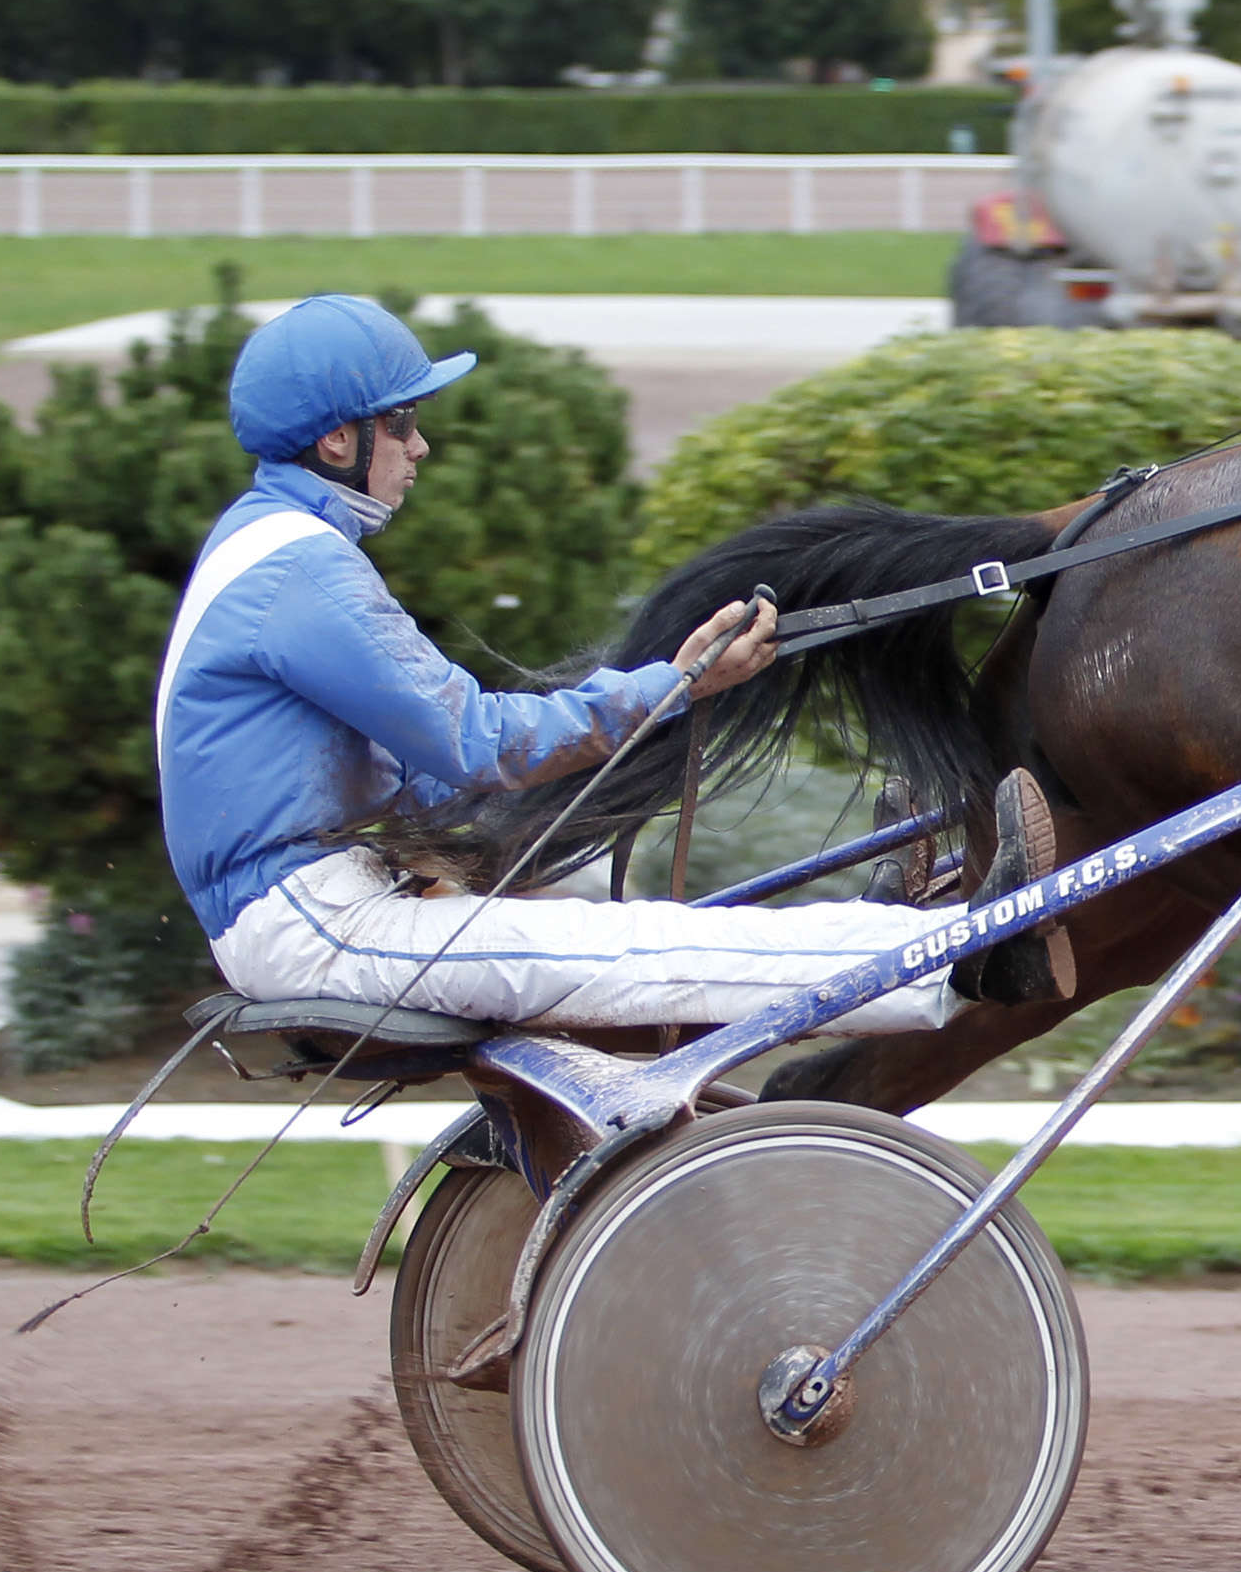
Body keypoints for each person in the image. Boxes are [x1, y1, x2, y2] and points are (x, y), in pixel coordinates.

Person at [159, 294, 1068, 1036]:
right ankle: (963, 951)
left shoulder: (270, 546)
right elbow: (475, 742)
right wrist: (674, 684)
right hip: (310, 922)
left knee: (639, 935)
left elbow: (411, 776)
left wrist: (636, 715)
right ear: (337, 442)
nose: (420, 447)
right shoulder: (301, 570)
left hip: (311, 905)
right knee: (645, 955)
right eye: (402, 424)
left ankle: (898, 936)